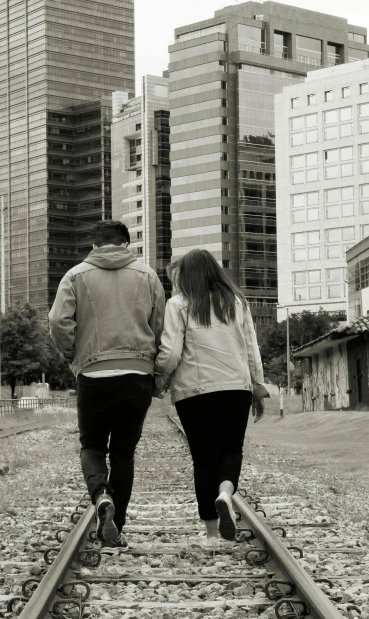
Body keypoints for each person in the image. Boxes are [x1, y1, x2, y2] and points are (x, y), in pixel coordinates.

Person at [49, 220, 165, 551]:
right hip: (137, 375)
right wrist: (154, 368)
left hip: (93, 374)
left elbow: (58, 321)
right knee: (124, 453)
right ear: (126, 244)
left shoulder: (75, 276)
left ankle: (101, 495)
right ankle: (119, 523)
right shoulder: (148, 276)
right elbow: (160, 326)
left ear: (95, 245)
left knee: (93, 445)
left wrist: (73, 354)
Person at [155, 249, 265, 550]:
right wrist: (257, 387)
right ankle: (226, 494)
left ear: (188, 276)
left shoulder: (178, 304)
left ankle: (213, 535)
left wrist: (159, 379)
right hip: (236, 389)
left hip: (194, 392)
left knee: (204, 459)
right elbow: (251, 349)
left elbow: (172, 352)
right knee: (232, 450)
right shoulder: (237, 302)